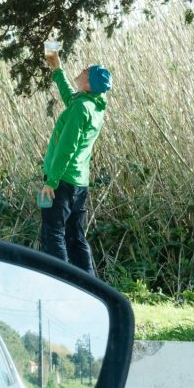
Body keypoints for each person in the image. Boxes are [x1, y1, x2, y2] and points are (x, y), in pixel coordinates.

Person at [39, 44, 112, 277]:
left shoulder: (81, 108)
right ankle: (89, 285)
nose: (81, 70)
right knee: (75, 236)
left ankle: (60, 281)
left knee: (54, 233)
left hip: (62, 180)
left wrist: (51, 181)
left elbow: (66, 149)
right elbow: (70, 98)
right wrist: (57, 70)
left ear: (88, 84)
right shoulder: (93, 104)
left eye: (85, 71)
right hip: (79, 183)